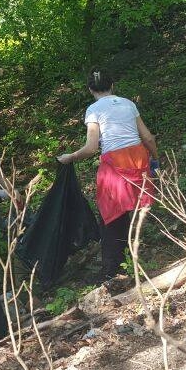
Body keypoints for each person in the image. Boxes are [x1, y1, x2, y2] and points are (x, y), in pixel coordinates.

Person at [57, 69, 159, 281]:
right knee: (135, 209)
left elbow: (91, 147)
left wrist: (70, 157)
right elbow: (148, 137)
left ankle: (112, 271)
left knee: (111, 217)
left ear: (90, 89)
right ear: (112, 85)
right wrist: (156, 161)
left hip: (114, 164)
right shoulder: (128, 104)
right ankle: (132, 258)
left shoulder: (93, 110)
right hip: (137, 159)